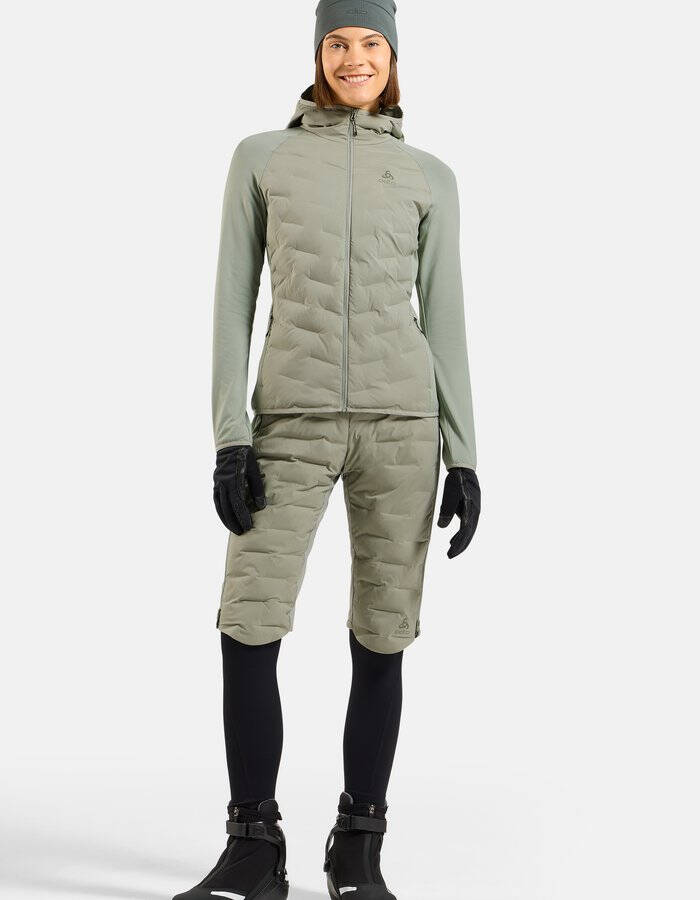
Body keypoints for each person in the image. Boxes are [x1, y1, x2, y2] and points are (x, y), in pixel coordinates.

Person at [174, 2, 480, 898]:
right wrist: (230, 437)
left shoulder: (428, 175)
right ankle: (252, 847)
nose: (354, 57)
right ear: (317, 55)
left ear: (393, 57)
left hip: (403, 429)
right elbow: (230, 301)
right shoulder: (262, 158)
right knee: (248, 627)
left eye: (371, 43)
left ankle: (358, 849)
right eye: (338, 43)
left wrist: (465, 452)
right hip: (290, 425)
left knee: (383, 636)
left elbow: (446, 316)